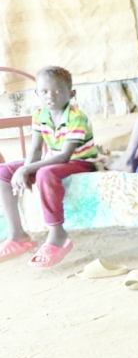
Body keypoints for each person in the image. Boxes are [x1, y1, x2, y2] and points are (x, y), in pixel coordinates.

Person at [0, 66, 99, 267]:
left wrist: (28, 169)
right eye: (44, 91)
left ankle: (57, 234)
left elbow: (65, 156)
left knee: (45, 173)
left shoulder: (76, 117)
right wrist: (24, 169)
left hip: (81, 162)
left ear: (71, 94)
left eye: (58, 91)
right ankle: (17, 235)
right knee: (3, 172)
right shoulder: (39, 115)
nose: (50, 96)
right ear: (37, 93)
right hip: (52, 158)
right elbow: (36, 149)